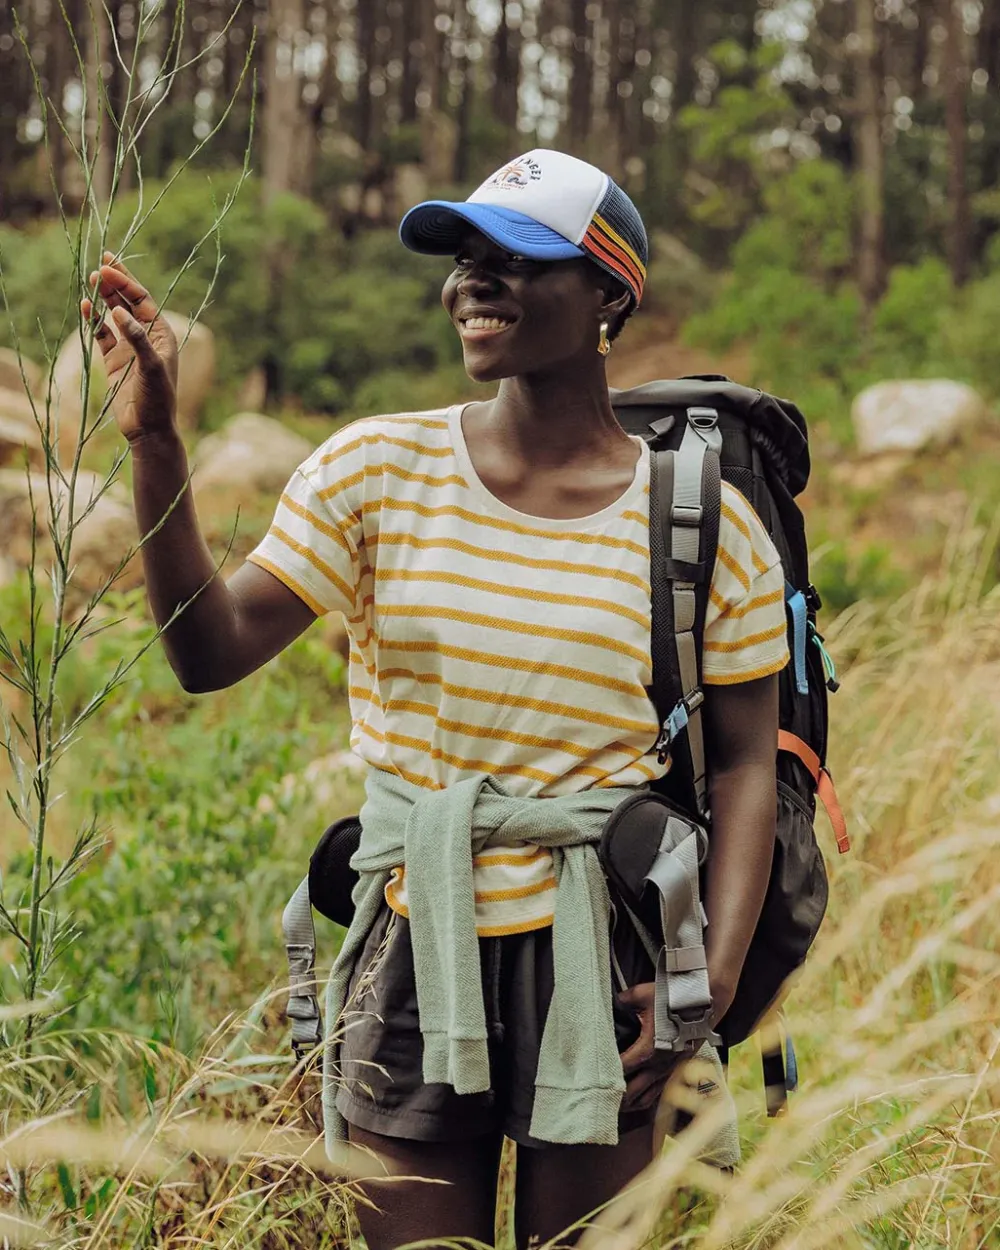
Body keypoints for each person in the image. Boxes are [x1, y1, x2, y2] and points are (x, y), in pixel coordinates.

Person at [82, 149, 788, 1248]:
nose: (474, 280)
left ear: (610, 293)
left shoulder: (698, 520)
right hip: (413, 931)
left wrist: (711, 978)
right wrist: (157, 441)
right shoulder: (375, 468)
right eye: (464, 256)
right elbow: (207, 652)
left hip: (600, 946)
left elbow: (747, 765)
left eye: (519, 258)